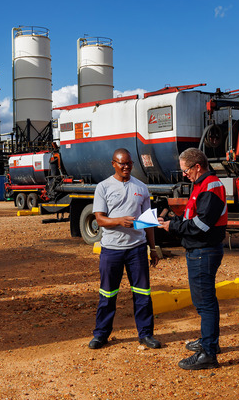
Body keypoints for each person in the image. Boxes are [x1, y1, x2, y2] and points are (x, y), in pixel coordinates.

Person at [158, 147, 226, 370]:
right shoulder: (202, 184)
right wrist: (171, 218)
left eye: (186, 170)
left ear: (197, 166)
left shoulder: (210, 186)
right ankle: (209, 343)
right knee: (205, 301)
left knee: (204, 304)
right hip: (201, 250)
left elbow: (202, 224)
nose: (184, 174)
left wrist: (174, 226)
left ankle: (207, 353)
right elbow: (195, 216)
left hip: (203, 251)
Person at [88, 148, 163, 350]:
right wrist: (119, 221)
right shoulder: (103, 187)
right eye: (122, 163)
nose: (126, 167)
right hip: (111, 250)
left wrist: (153, 249)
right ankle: (101, 334)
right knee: (107, 294)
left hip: (136, 250)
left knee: (142, 293)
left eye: (129, 163)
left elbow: (148, 222)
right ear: (113, 163)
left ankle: (146, 334)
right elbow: (100, 219)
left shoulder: (141, 188)